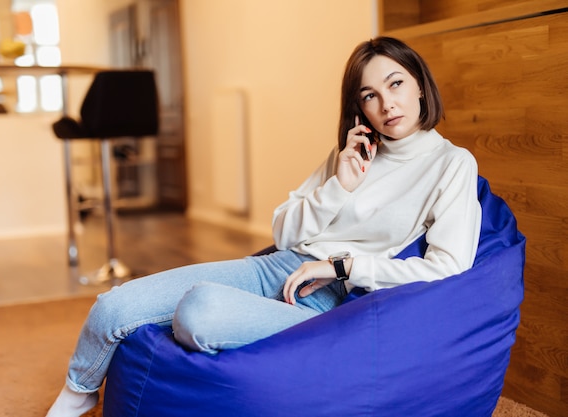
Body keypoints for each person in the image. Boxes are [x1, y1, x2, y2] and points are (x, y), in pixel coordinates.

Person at [46, 36, 481, 417]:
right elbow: (283, 233)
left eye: (396, 83)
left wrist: (339, 266)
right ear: (359, 107)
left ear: (420, 85)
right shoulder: (352, 154)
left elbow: (448, 267)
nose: (386, 104)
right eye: (369, 95)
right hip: (274, 266)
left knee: (200, 311)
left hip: (324, 299)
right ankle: (78, 394)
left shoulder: (451, 164)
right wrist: (339, 185)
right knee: (112, 306)